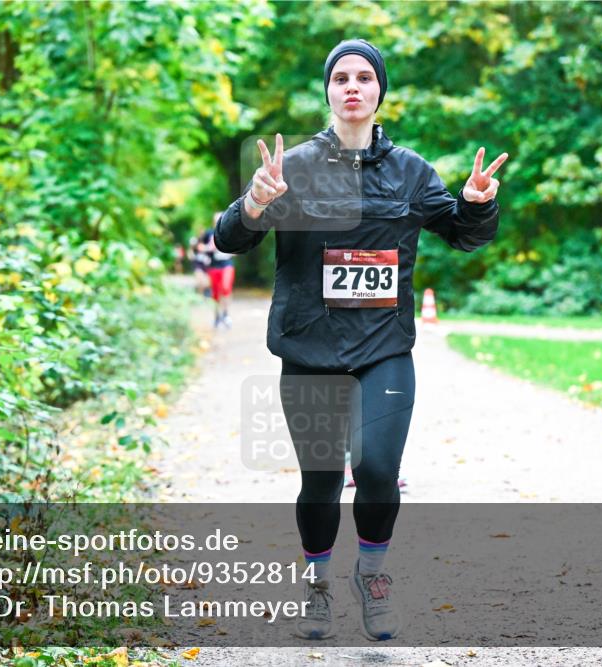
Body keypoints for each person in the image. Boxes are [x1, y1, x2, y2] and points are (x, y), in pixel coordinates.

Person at [214, 39, 506, 641]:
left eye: (364, 77)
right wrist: (253, 203)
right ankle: (317, 586)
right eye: (341, 77)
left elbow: (462, 235)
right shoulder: (290, 167)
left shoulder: (410, 171)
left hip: (383, 348)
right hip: (310, 346)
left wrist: (476, 206)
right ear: (328, 91)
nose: (352, 86)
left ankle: (371, 580)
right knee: (321, 481)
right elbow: (229, 240)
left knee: (376, 469)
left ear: (379, 92)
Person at [202, 212, 236, 329]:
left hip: (227, 264)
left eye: (220, 219)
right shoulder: (209, 234)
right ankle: (217, 317)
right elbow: (200, 247)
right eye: (215, 220)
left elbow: (238, 250)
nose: (218, 222)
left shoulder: (231, 233)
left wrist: (228, 250)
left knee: (226, 288)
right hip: (214, 266)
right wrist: (209, 248)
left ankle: (226, 314)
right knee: (215, 293)